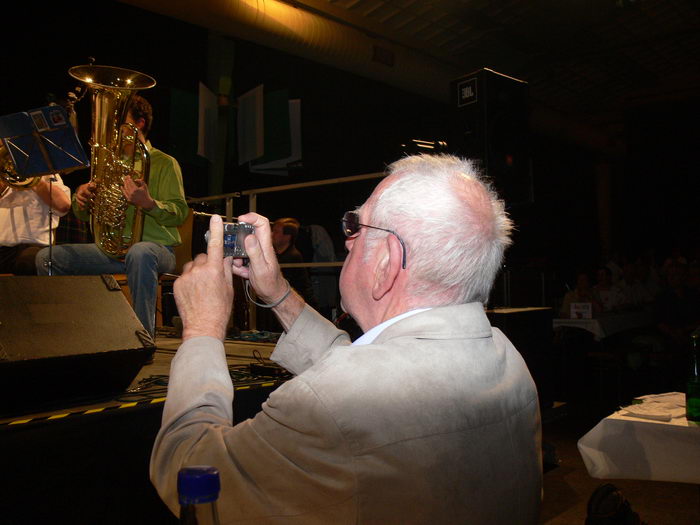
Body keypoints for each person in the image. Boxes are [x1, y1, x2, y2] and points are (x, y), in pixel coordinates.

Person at [150, 154, 542, 524]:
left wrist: (203, 328)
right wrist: (279, 294)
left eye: (357, 225)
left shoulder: (331, 405)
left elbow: (189, 470)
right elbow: (373, 369)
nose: (348, 240)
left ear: (387, 263)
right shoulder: (508, 359)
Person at [35, 95, 189, 338]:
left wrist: (148, 204)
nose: (109, 130)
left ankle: (143, 339)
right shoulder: (106, 163)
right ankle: (64, 333)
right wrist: (82, 199)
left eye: (117, 124)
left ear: (138, 124)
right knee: (48, 258)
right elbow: (83, 215)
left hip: (157, 250)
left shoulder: (164, 163)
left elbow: (179, 214)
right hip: (112, 251)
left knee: (140, 253)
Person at [0, 174, 71, 274]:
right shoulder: (5, 177)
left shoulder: (47, 175)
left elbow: (63, 205)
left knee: (27, 261)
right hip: (3, 250)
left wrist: (34, 180)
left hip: (31, 249)